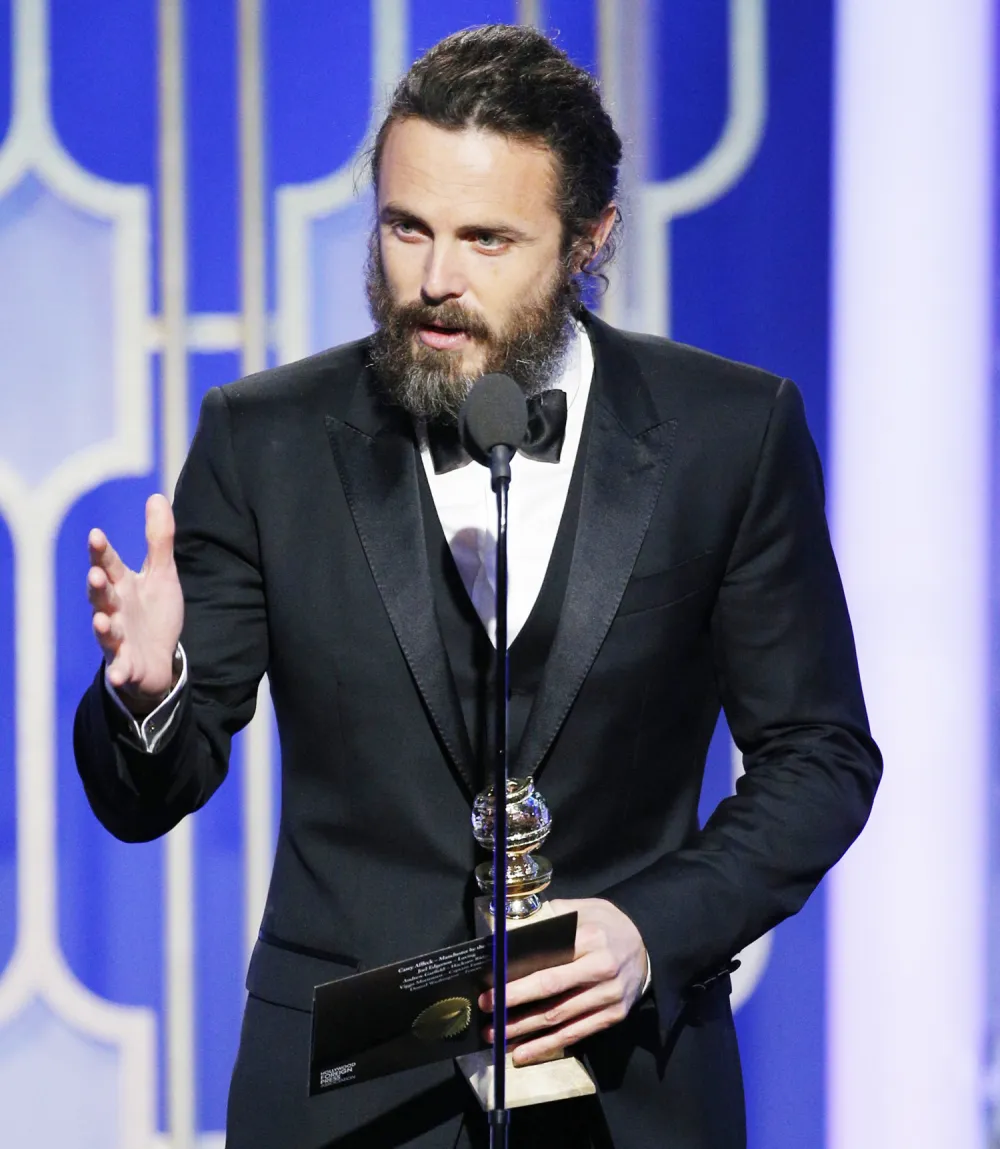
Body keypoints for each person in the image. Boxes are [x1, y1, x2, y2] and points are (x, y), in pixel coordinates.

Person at [73, 24, 881, 1149]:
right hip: (346, 1099)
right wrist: (148, 692)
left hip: (631, 1087)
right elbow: (147, 794)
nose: (435, 282)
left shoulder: (728, 436)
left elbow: (819, 756)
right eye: (406, 227)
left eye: (487, 239)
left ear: (590, 238)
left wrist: (648, 930)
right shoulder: (265, 441)